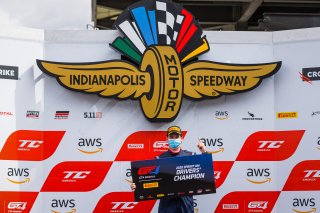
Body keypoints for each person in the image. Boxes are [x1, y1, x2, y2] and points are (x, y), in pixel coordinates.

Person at [130, 125, 207, 213]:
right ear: (167, 139)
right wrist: (137, 186)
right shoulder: (159, 159)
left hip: (186, 206)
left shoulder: (190, 156)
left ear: (181, 138)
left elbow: (206, 174)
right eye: (171, 137)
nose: (174, 139)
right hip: (167, 207)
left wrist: (204, 152)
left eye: (176, 137)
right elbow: (148, 182)